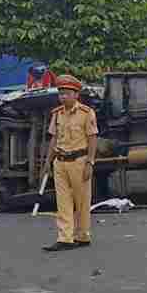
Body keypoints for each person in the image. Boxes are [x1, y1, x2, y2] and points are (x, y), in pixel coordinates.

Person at [44, 75, 98, 253]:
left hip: (79, 161)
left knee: (82, 201)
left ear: (76, 94)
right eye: (60, 94)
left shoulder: (86, 113)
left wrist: (90, 162)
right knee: (63, 202)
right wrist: (48, 161)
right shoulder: (57, 113)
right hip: (60, 162)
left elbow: (92, 139)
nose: (63, 97)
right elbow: (53, 139)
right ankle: (65, 238)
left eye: (66, 94)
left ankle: (82, 235)